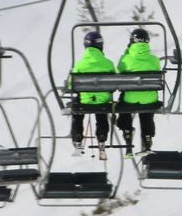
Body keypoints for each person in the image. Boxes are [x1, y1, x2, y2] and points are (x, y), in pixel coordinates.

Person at [114, 27, 162, 157]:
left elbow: (119, 72)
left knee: (125, 106)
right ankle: (147, 140)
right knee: (146, 111)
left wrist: (127, 52)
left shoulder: (125, 59)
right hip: (150, 99)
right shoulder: (155, 60)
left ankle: (127, 134)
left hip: (130, 99)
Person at [68, 30, 116, 159]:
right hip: (102, 101)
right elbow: (115, 84)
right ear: (101, 45)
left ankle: (77, 136)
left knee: (77, 111)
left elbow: (70, 86)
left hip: (85, 101)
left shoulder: (79, 64)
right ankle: (102, 136)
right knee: (101, 110)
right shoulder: (108, 64)